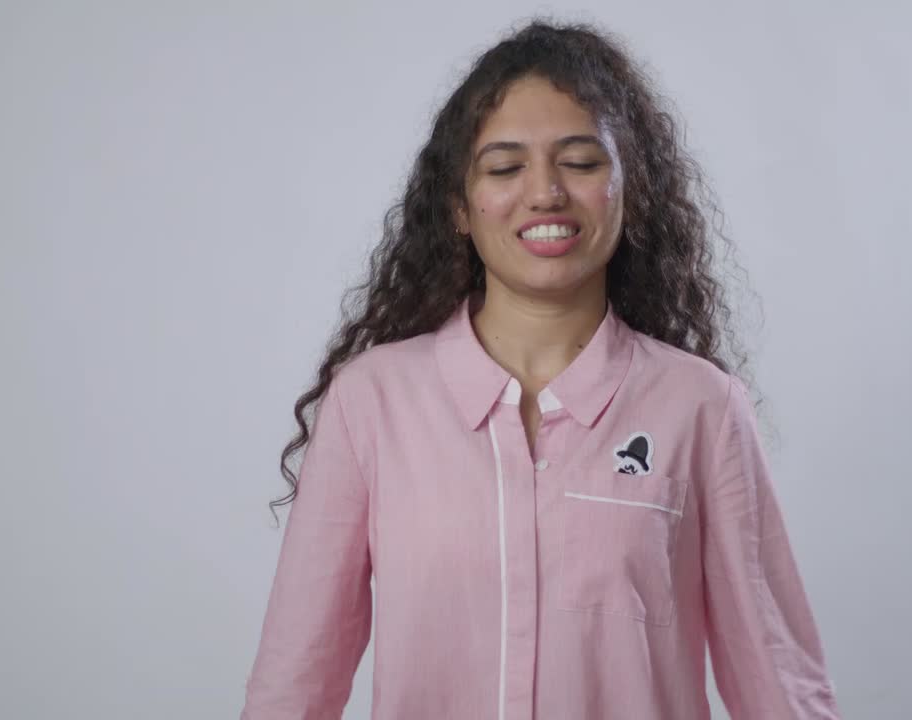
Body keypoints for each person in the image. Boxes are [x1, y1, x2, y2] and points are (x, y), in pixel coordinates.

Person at [240, 17, 842, 720]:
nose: (546, 192)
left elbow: (779, 687)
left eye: (581, 163)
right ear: (461, 207)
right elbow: (295, 683)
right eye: (504, 168)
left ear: (629, 188)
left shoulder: (701, 406)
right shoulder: (372, 402)